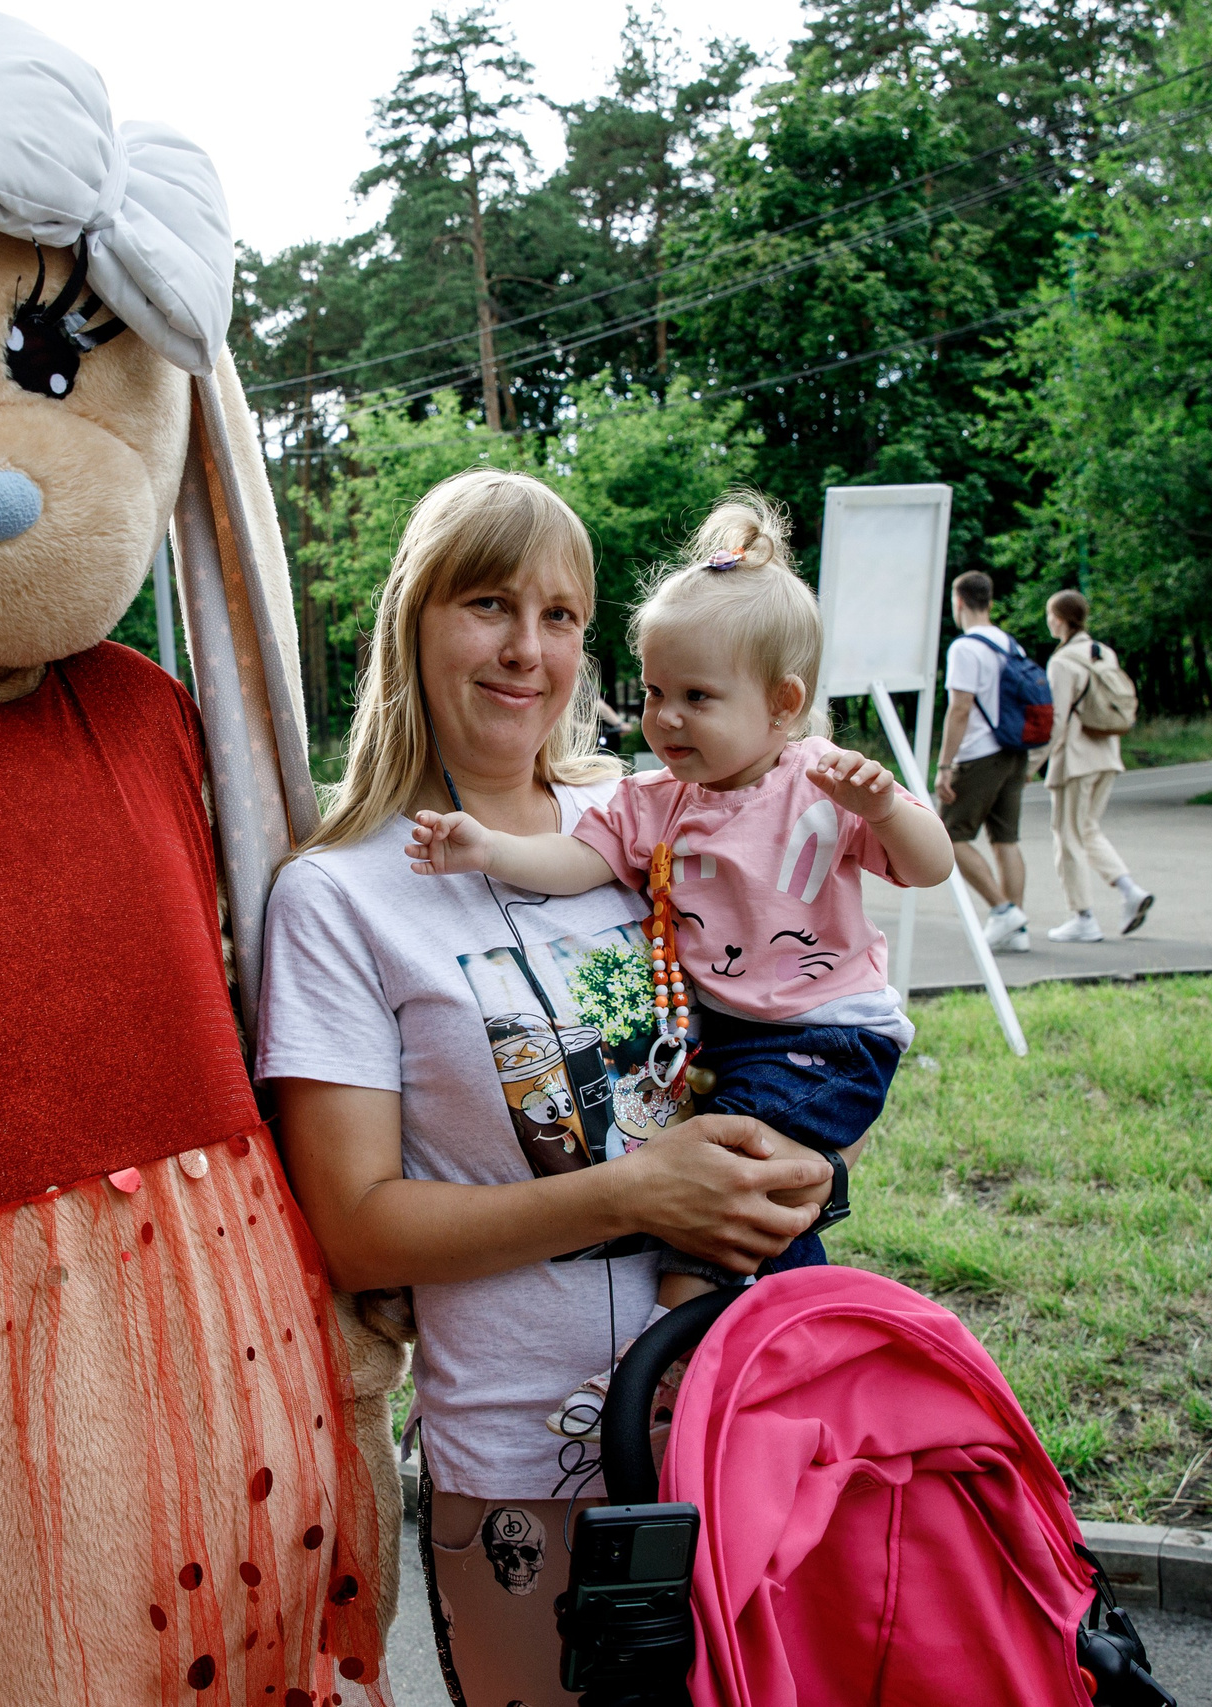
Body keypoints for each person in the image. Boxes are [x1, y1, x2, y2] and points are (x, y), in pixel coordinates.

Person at [259, 471, 854, 1707]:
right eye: (487, 604)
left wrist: (805, 1172)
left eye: (562, 614)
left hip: (729, 1404)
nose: (528, 650)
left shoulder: (649, 816)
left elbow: (778, 1025)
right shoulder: (337, 894)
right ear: (413, 619)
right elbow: (354, 1226)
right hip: (524, 1452)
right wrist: (640, 1193)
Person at [405, 489, 952, 1379]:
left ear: (783, 704)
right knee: (758, 1205)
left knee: (728, 1195)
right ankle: (781, 1347)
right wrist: (487, 848)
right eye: (655, 692)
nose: (664, 719)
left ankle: (662, 1360)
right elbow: (577, 863)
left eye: (697, 697)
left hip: (828, 1036)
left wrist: (887, 806)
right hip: (735, 1036)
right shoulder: (656, 799)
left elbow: (928, 867)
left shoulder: (821, 783)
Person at [1039, 590, 1153, 940]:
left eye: (1049, 615)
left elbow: (1057, 720)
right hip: (1107, 754)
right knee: (1087, 830)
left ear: (1059, 619)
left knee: (1067, 836)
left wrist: (1033, 760)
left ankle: (1083, 917)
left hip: (1076, 760)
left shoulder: (1062, 662)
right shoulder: (1103, 652)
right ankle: (1130, 891)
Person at [934, 570, 1032, 952]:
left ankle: (1004, 910)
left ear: (958, 602)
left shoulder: (964, 647)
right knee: (1006, 839)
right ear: (989, 602)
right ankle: (1017, 930)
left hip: (979, 754)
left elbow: (960, 709)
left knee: (948, 836)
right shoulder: (1011, 644)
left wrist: (945, 764)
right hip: (1014, 752)